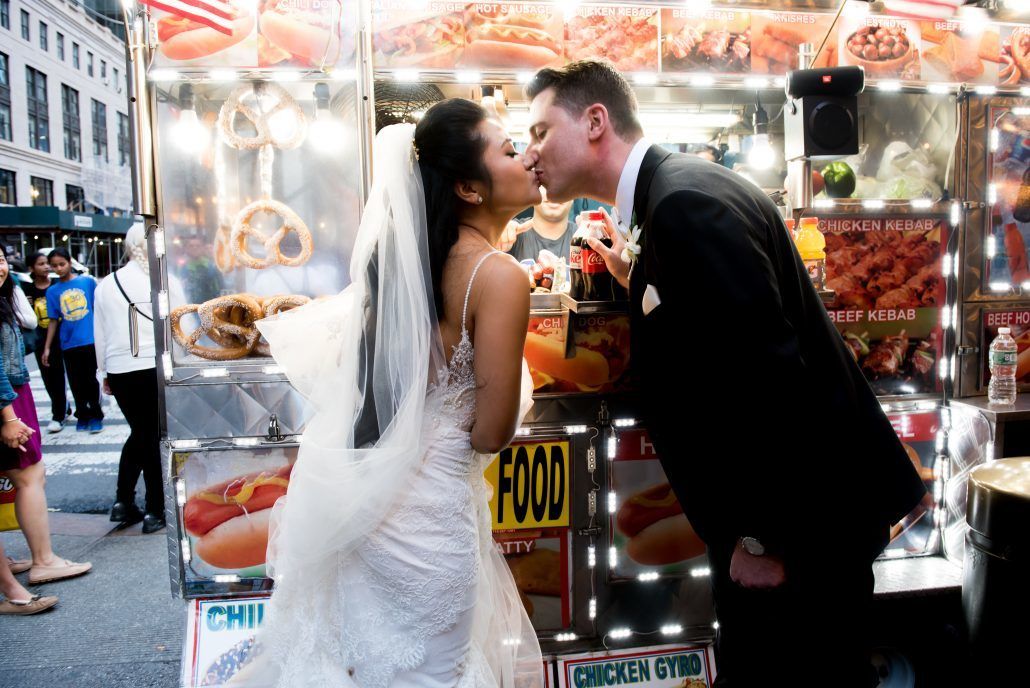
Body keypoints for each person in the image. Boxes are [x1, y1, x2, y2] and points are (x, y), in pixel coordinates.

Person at [524, 60, 927, 687]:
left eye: (541, 131)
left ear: (595, 122)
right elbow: (721, 335)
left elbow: (770, 382)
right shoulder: (678, 191)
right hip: (803, 526)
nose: (531, 154)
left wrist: (764, 539)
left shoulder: (683, 204)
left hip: (799, 537)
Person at [228, 100, 543, 687]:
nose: (529, 156)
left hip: (373, 502)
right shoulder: (499, 275)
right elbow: (491, 432)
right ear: (470, 188)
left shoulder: (410, 267)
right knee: (435, 674)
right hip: (431, 523)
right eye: (509, 149)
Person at [0, 251, 91, 612]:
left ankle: (21, 563)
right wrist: (7, 416)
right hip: (7, 399)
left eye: (2, 259)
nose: (2, 267)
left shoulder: (8, 296)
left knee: (26, 476)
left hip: (11, 394)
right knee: (30, 475)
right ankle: (43, 560)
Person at [94, 225, 165, 533]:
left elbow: (100, 333)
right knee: (151, 436)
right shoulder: (162, 280)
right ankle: (154, 508)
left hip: (120, 367)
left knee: (141, 433)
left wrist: (103, 373)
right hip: (154, 364)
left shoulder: (106, 284)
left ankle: (124, 502)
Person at [42, 248, 103, 433]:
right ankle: (82, 415)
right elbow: (53, 319)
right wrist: (47, 348)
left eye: (62, 264)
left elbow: (98, 309)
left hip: (90, 340)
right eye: (54, 266)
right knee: (75, 382)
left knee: (91, 380)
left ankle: (96, 415)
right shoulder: (52, 291)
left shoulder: (87, 282)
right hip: (68, 342)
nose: (59, 269)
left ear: (70, 262)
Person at [20, 252, 71, 433]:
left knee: (66, 375)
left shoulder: (58, 286)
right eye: (41, 264)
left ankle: (62, 410)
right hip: (40, 340)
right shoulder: (27, 290)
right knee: (50, 377)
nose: (46, 267)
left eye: (46, 263)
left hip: (64, 336)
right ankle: (60, 411)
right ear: (31, 268)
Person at [498, 188, 576, 263]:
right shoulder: (511, 233)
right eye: (546, 185)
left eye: (563, 186)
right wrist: (495, 237)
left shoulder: (583, 238)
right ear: (533, 193)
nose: (554, 193)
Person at [182, 235, 223, 304]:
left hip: (210, 309)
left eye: (198, 245)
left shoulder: (212, 267)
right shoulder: (182, 269)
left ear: (203, 248)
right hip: (189, 310)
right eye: (191, 246)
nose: (195, 248)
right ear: (186, 249)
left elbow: (220, 289)